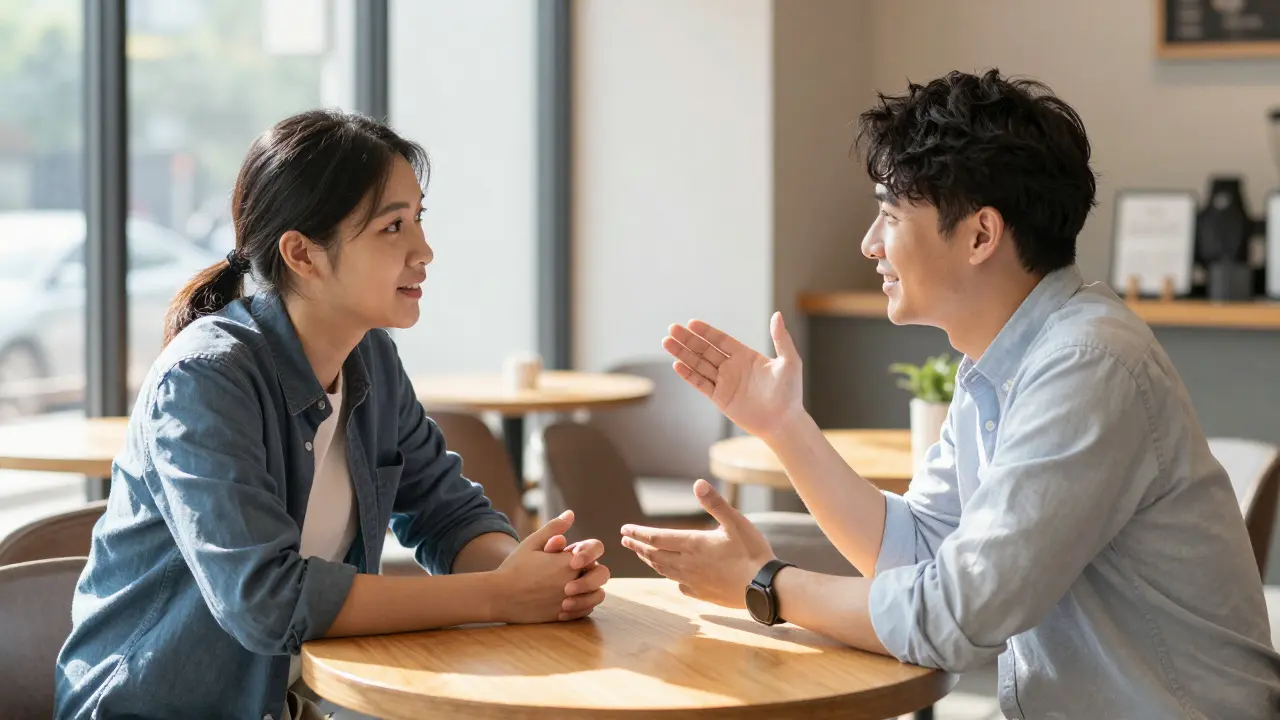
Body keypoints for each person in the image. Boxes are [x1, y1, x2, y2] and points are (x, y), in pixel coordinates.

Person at [620, 69, 1280, 718]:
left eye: (889, 215)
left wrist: (765, 585)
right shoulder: (1002, 359)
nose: (869, 244)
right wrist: (783, 425)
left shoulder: (1087, 364)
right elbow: (916, 550)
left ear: (981, 235)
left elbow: (955, 617)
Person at [55, 109, 610, 720]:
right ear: (303, 254)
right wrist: (496, 595)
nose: (424, 250)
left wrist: (535, 577)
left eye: (418, 218)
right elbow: (266, 602)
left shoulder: (371, 358)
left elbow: (446, 512)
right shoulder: (205, 379)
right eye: (393, 226)